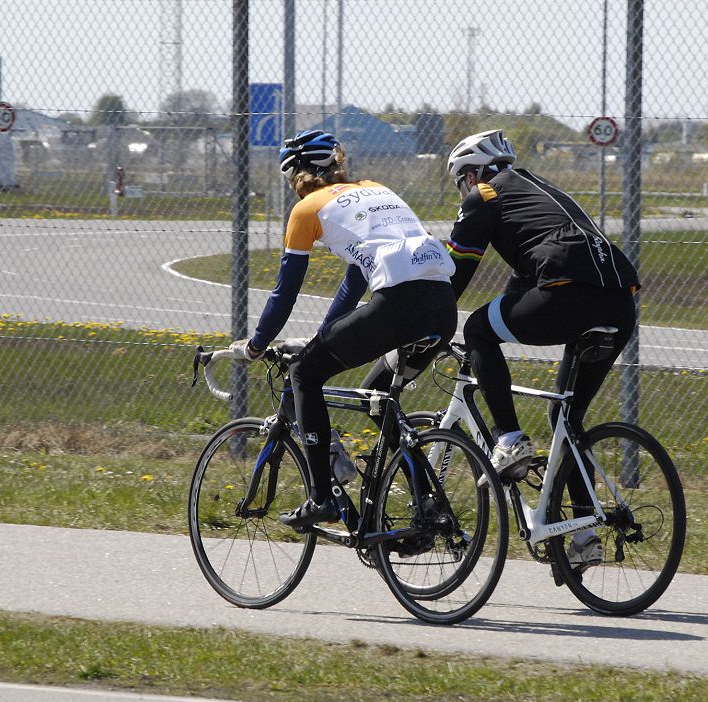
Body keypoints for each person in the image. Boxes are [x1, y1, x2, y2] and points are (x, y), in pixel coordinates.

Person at [228, 129, 457, 529]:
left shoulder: (307, 210)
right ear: (336, 163)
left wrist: (255, 345)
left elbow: (284, 295)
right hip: (443, 306)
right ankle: (429, 505)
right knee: (378, 396)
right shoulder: (376, 189)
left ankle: (321, 498)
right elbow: (355, 279)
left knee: (304, 372)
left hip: (398, 305)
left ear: (298, 174)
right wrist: (326, 335)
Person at [441, 129, 640, 481]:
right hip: (621, 302)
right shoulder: (538, 189)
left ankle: (510, 438)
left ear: (471, 175)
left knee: (476, 330)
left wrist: (431, 323)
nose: (462, 193)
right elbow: (522, 280)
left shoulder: (484, 193)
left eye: (460, 184)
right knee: (566, 420)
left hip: (569, 295)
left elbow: (454, 275)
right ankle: (584, 532)